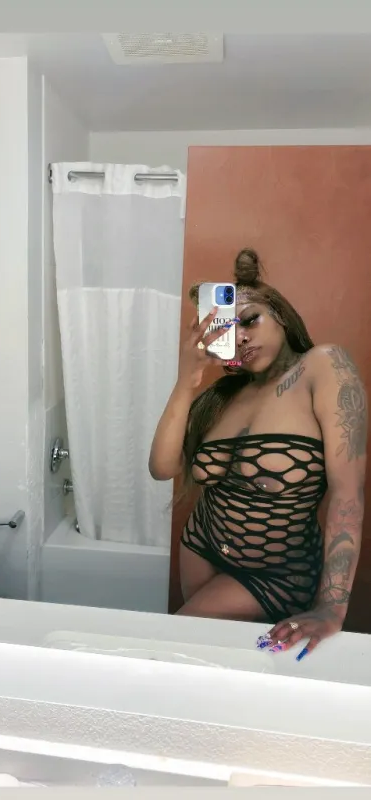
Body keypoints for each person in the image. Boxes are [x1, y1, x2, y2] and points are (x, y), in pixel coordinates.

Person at [149, 249, 367, 660]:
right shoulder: (222, 398)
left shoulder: (323, 367)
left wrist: (332, 607)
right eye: (230, 329)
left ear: (280, 314)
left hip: (277, 573)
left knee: (169, 650)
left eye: (250, 320)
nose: (242, 337)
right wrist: (187, 379)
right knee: (210, 661)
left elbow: (347, 492)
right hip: (201, 547)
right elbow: (162, 468)